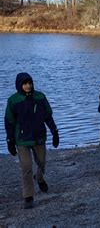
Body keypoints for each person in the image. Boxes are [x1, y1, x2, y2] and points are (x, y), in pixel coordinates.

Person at [4, 72, 60, 209]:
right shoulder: (13, 100)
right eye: (25, 83)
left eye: (29, 83)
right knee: (27, 167)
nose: (28, 86)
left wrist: (55, 132)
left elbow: (48, 116)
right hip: (22, 140)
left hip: (39, 137)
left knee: (41, 163)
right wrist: (10, 140)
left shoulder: (40, 97)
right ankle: (28, 197)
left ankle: (39, 178)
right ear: (19, 85)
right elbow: (9, 122)